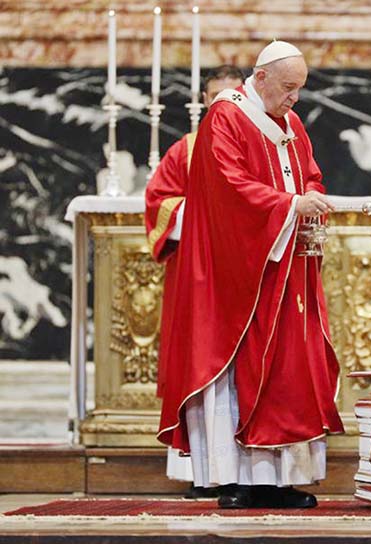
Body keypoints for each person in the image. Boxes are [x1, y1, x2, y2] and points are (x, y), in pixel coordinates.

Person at [155, 41, 344, 510]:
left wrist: (312, 199)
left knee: (289, 373)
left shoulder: (293, 123)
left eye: (299, 89)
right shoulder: (227, 117)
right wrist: (289, 206)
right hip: (240, 276)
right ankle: (237, 478)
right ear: (260, 78)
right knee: (243, 371)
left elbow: (310, 175)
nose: (294, 98)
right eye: (287, 88)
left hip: (287, 272)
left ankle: (280, 480)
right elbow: (228, 187)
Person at [145, 65, 246, 498]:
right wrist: (207, 218)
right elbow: (159, 204)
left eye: (231, 96)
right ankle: (203, 471)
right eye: (215, 97)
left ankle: (244, 472)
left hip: (242, 277)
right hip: (198, 279)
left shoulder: (251, 145)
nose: (222, 104)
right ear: (205, 102)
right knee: (200, 368)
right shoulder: (185, 151)